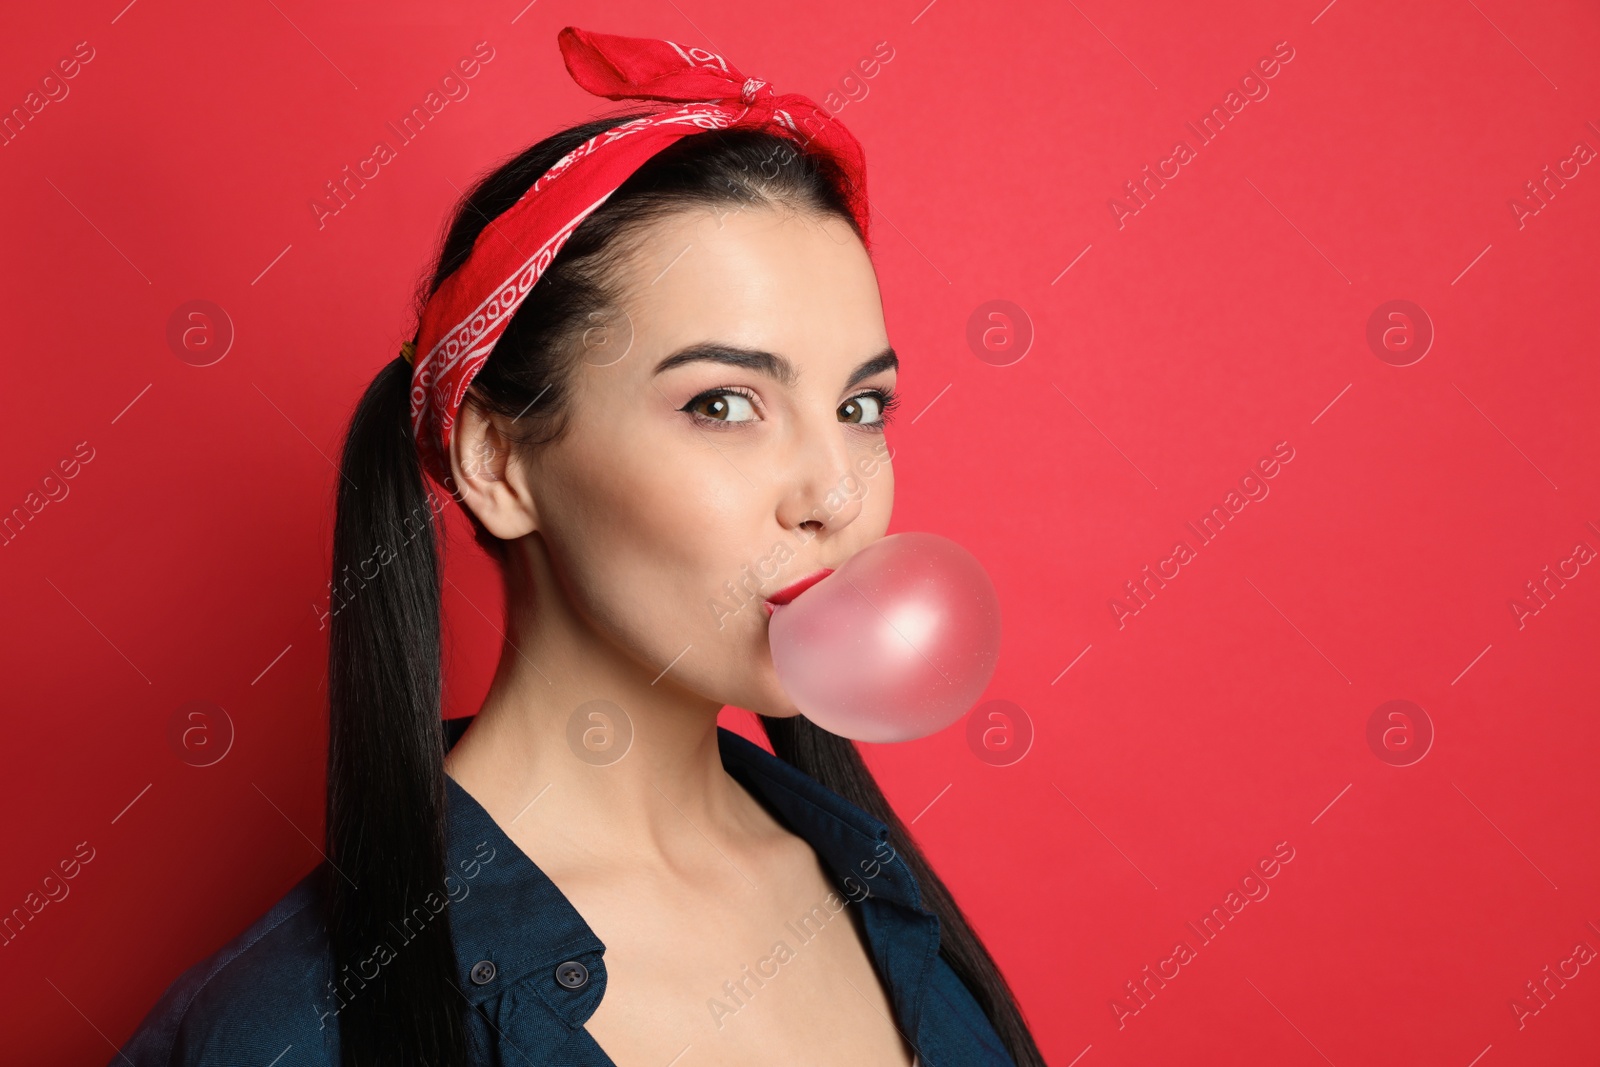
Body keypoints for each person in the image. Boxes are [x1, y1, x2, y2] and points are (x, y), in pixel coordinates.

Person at [114, 26, 1046, 1067]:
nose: (836, 492)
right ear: (499, 463)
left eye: (860, 404)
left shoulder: (874, 891)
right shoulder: (289, 1030)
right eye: (726, 402)